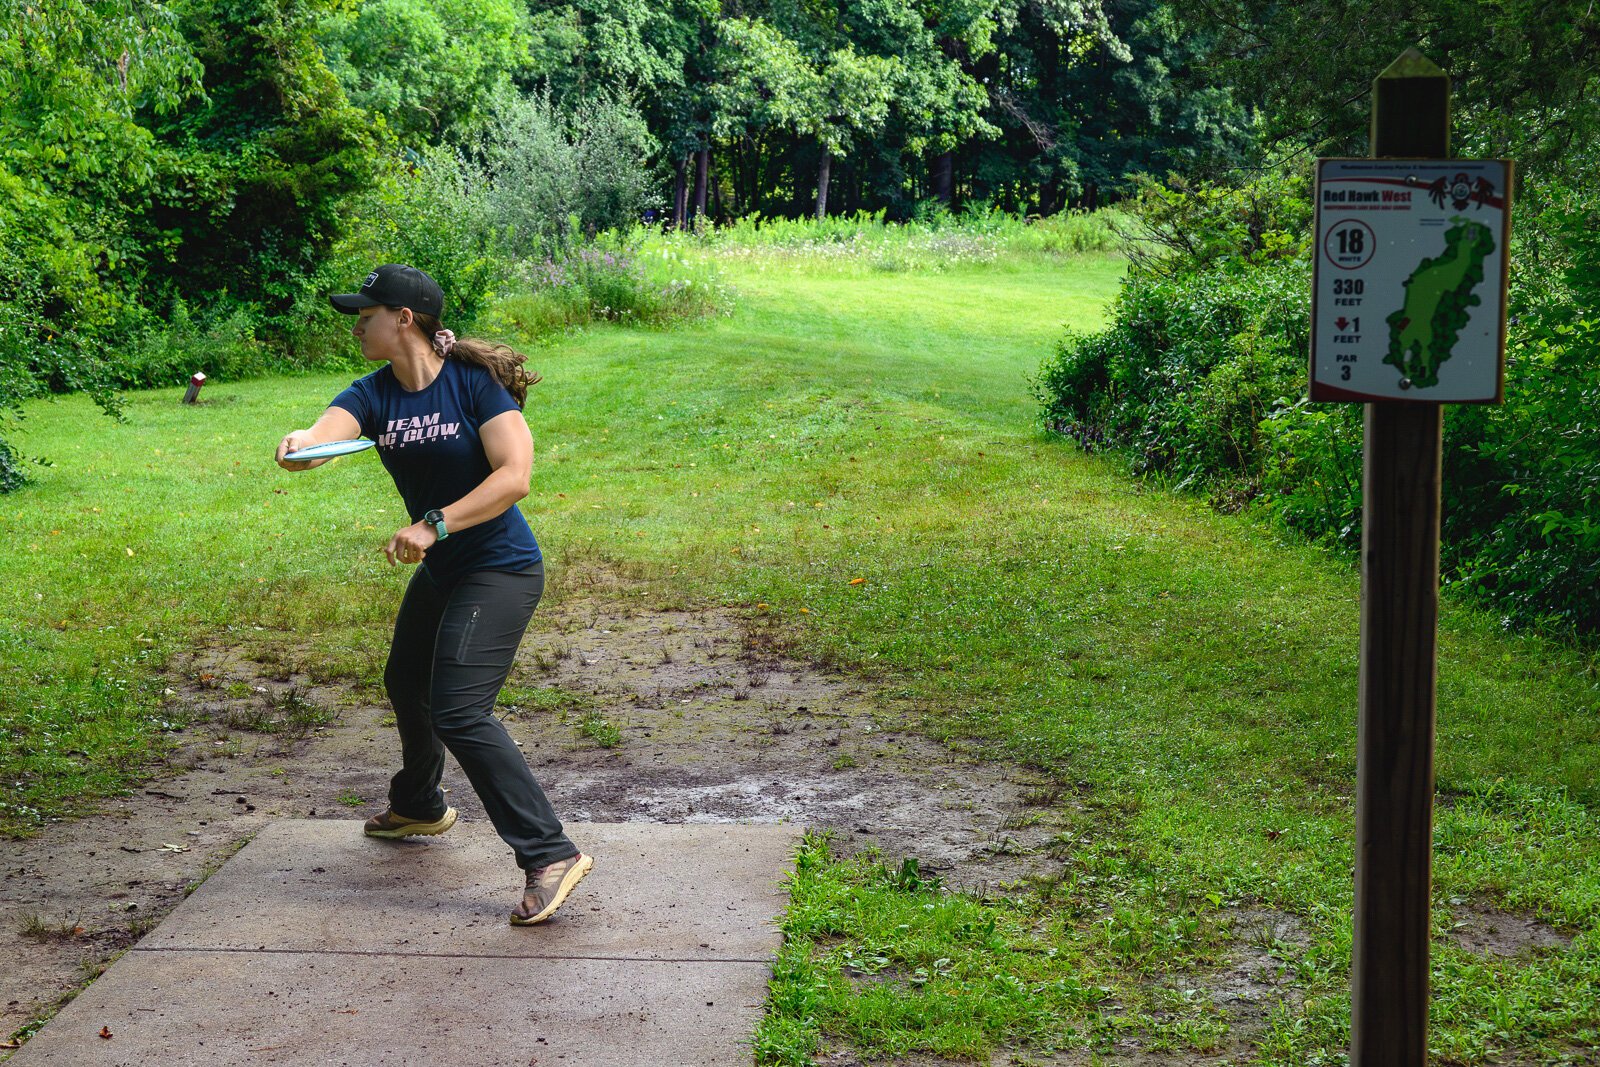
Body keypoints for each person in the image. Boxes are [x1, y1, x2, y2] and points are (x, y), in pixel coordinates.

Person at [275, 263, 590, 926]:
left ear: (404, 319)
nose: (358, 323)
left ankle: (549, 851)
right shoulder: (372, 393)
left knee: (458, 708)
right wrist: (300, 446)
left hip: (500, 566)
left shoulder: (472, 385)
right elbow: (324, 434)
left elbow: (515, 476)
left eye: (368, 313)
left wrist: (433, 524)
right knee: (405, 679)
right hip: (446, 568)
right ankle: (419, 802)